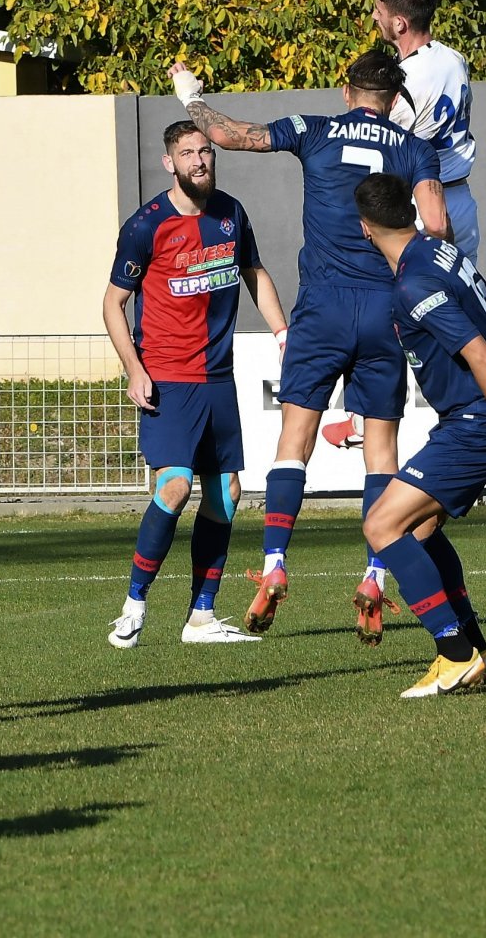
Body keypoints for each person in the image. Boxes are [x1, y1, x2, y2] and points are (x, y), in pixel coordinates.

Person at [174, 49, 448, 639]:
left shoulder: (315, 128)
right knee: (381, 451)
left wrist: (190, 95)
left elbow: (229, 134)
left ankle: (274, 563)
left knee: (293, 441)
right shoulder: (413, 147)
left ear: (347, 92)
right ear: (394, 100)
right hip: (385, 308)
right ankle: (375, 574)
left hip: (322, 308)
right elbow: (438, 225)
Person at [352, 174, 486, 695]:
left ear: (364, 229)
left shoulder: (412, 283)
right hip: (476, 414)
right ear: (409, 212)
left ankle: (454, 654)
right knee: (421, 531)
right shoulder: (442, 251)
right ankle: (479, 652)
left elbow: (482, 354)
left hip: (479, 420)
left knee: (381, 524)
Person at [102, 120, 287, 648]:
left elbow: (254, 273)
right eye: (187, 153)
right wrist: (134, 368)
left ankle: (201, 617)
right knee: (175, 486)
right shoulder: (146, 225)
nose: (199, 160)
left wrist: (282, 332)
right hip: (168, 376)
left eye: (205, 151)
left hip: (218, 378)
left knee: (226, 493)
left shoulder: (232, 213)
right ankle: (133, 605)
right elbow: (113, 304)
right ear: (170, 163)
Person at [374, 0, 479, 260]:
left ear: (399, 23)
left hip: (423, 207)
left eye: (379, 10)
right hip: (460, 197)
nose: (374, 16)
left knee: (417, 287)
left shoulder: (407, 79)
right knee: (463, 285)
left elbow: (387, 146)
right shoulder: (454, 59)